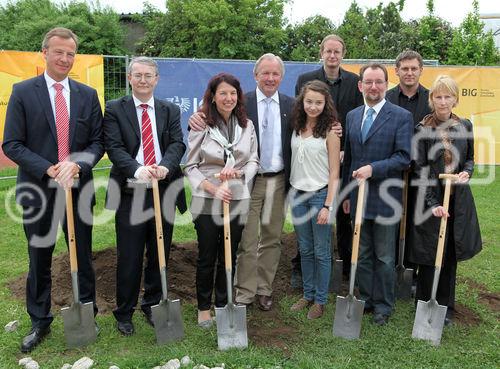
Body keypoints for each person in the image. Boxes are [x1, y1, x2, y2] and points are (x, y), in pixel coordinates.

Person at [2, 27, 103, 352]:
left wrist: (76, 164)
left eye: (70, 54)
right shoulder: (23, 92)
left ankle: (87, 313)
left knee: (82, 255)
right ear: (44, 53)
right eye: (58, 52)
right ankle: (39, 321)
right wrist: (49, 168)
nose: (64, 59)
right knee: (39, 256)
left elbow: (97, 142)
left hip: (78, 189)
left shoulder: (87, 95)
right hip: (39, 189)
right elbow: (12, 144)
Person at [189, 54, 294, 311]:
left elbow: (313, 124)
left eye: (275, 74)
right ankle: (244, 292)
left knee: (271, 237)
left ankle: (264, 289)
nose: (270, 78)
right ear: (255, 75)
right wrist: (196, 117)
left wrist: (334, 127)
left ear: (281, 77)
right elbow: (199, 147)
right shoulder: (241, 102)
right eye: (265, 73)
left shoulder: (292, 105)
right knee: (245, 240)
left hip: (278, 179)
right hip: (246, 185)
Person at [103, 57, 186, 336]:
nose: (143, 80)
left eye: (148, 75)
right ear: (129, 78)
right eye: (137, 75)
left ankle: (152, 304)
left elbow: (177, 142)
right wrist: (138, 170)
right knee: (129, 254)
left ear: (157, 79)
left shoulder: (169, 109)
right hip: (131, 190)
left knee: (159, 251)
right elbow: (113, 147)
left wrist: (165, 167)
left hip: (163, 188)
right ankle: (124, 311)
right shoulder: (115, 108)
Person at [184, 73, 259, 327]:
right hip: (207, 197)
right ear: (213, 97)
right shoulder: (201, 124)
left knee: (229, 253)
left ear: (239, 97)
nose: (229, 98)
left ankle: (223, 302)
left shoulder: (247, 125)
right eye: (223, 93)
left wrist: (239, 174)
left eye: (233, 93)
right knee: (208, 254)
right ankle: (204, 307)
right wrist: (213, 189)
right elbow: (191, 166)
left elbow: (253, 160)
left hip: (237, 197)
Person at [342, 63, 412, 326]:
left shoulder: (400, 116)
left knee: (384, 256)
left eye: (379, 82)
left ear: (386, 85)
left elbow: (404, 158)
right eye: (368, 82)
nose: (373, 87)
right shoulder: (352, 116)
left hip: (385, 198)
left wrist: (374, 168)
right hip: (358, 197)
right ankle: (367, 300)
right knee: (363, 253)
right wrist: (348, 195)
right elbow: (349, 160)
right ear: (360, 86)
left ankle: (384, 305)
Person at [408, 75, 482, 326]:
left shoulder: (466, 126)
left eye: (447, 96)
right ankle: (423, 302)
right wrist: (433, 203)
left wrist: (466, 173)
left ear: (455, 99)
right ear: (431, 99)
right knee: (428, 250)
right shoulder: (422, 129)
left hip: (457, 197)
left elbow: (470, 158)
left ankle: (445, 305)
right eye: (438, 96)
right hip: (430, 197)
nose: (443, 101)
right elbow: (419, 168)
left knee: (449, 251)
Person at [294, 34, 364, 284]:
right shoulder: (305, 80)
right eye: (328, 51)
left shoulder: (355, 82)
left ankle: (343, 267)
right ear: (321, 53)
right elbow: (300, 117)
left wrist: (344, 148)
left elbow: (355, 120)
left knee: (343, 214)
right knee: (305, 223)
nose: (332, 56)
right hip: (312, 159)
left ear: (342, 54)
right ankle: (301, 269)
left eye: (337, 52)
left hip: (343, 158)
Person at [289, 80, 340, 319]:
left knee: (321, 251)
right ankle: (307, 294)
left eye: (318, 102)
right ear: (302, 101)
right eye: (309, 101)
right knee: (306, 249)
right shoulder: (296, 125)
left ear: (325, 103)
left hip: (320, 195)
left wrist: (328, 205)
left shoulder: (331, 130)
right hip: (297, 194)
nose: (313, 106)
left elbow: (334, 172)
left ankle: (320, 300)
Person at [386, 49, 432, 293]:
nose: (410, 72)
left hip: (422, 173)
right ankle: (392, 266)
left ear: (421, 70)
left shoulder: (430, 99)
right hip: (394, 171)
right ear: (397, 71)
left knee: (417, 222)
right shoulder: (388, 98)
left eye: (414, 68)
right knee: (392, 219)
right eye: (405, 68)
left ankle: (412, 272)